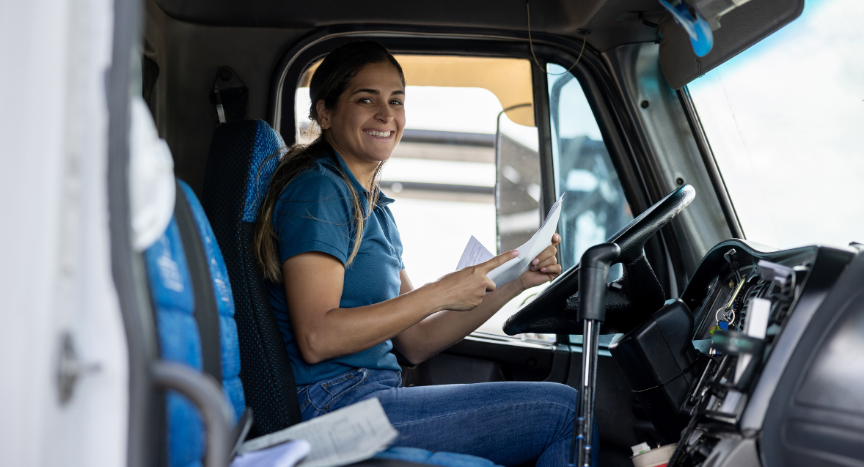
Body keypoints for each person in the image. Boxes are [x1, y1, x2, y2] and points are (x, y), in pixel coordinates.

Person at [253, 40, 598, 467]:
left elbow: (414, 343)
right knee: (568, 412)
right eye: (366, 99)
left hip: (367, 397)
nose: (386, 114)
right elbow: (317, 337)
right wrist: (438, 292)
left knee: (568, 408)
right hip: (334, 409)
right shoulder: (320, 191)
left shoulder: (373, 208)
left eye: (396, 100)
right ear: (325, 113)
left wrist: (517, 281)